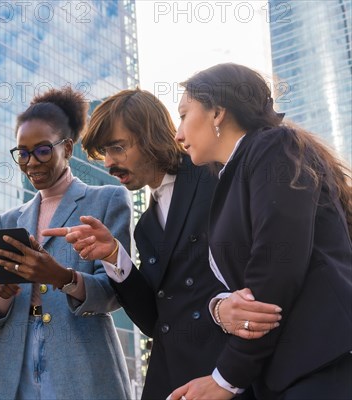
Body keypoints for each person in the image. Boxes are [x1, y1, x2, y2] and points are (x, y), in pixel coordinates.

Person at [43, 88, 280, 399]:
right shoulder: (145, 227)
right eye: (105, 153)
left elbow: (265, 270)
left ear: (151, 135)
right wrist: (114, 255)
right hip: (173, 383)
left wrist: (229, 376)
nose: (110, 163)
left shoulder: (216, 176)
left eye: (118, 147)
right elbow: (156, 321)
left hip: (231, 377)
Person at [166, 63, 352, 399]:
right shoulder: (234, 174)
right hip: (288, 371)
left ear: (217, 112)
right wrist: (219, 309)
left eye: (183, 114)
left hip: (324, 362)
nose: (178, 134)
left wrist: (226, 378)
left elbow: (276, 265)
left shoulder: (273, 146)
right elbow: (234, 285)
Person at [0, 87, 133, 400]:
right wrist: (3, 296)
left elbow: (117, 293)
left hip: (81, 361)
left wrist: (63, 278)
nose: (31, 162)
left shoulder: (107, 200)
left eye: (42, 151)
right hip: (14, 366)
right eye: (22, 153)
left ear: (66, 147)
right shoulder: (7, 220)